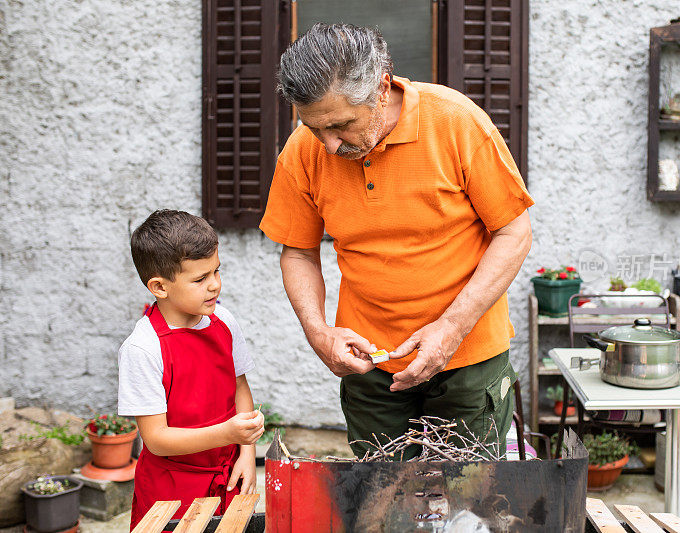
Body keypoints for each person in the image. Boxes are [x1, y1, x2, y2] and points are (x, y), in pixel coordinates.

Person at [260, 23, 533, 459]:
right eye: (315, 128)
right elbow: (297, 250)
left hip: (467, 356)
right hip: (369, 365)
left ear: (381, 88)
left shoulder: (457, 122)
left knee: (470, 505)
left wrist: (451, 327)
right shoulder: (303, 151)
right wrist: (318, 331)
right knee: (381, 502)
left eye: (341, 125)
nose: (329, 146)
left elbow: (513, 231)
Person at [118, 209, 264, 529]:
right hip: (170, 493)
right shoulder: (142, 348)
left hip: (227, 477)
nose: (215, 286)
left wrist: (247, 455)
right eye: (200, 279)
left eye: (216, 271)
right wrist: (227, 433)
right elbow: (156, 439)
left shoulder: (224, 322)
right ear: (159, 286)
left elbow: (240, 387)